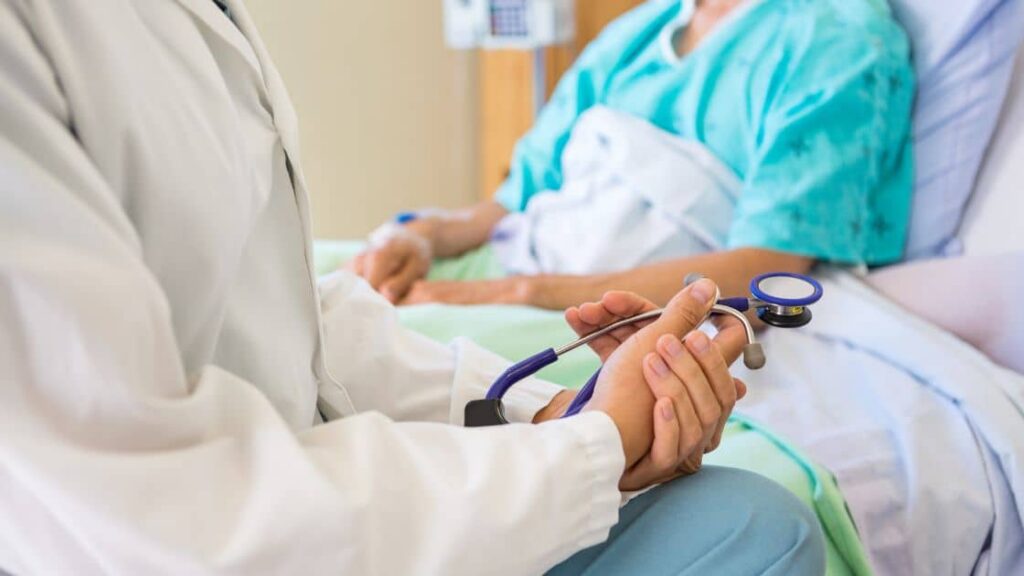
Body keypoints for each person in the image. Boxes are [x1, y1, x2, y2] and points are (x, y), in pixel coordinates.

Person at [0, 1, 825, 574]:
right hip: (214, 534)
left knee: (754, 517)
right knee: (759, 534)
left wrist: (551, 413)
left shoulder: (837, 31)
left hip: (529, 298)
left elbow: (264, 310)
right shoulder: (635, 35)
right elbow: (170, 520)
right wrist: (589, 445)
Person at [352, 0, 915, 310]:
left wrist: (515, 296)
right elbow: (513, 199)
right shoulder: (637, 34)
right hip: (519, 259)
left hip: (599, 308)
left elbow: (764, 269)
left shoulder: (841, 40)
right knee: (319, 293)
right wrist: (423, 235)